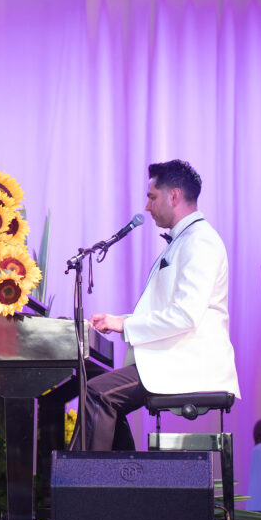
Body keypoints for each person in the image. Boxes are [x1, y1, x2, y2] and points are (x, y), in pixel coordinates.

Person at [71, 159, 241, 450]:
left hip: (189, 363)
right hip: (175, 357)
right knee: (97, 385)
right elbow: (169, 310)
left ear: (173, 196)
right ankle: (117, 485)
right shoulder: (185, 240)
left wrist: (125, 324)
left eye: (152, 197)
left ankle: (86, 487)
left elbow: (185, 316)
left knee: (99, 393)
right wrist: (117, 320)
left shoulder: (200, 242)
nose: (147, 207)